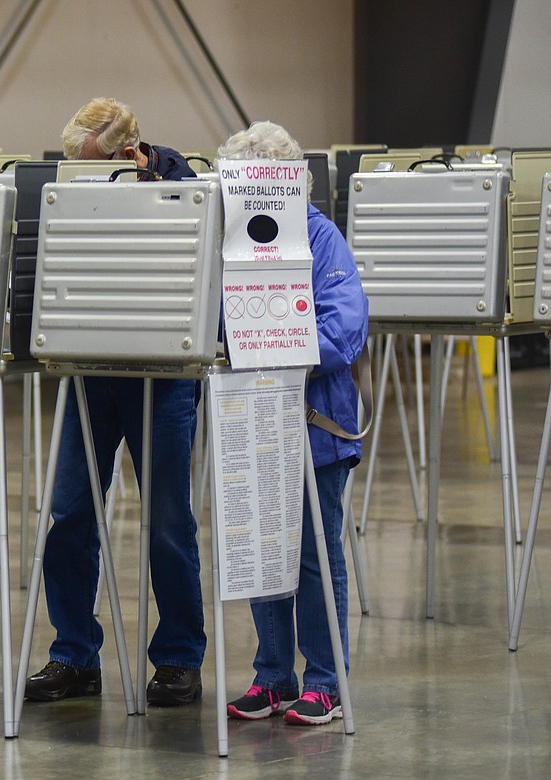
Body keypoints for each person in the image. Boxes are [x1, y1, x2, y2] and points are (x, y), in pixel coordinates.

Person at [25, 97, 206, 707]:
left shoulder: (183, 187)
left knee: (168, 522)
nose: (81, 180)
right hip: (90, 374)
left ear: (130, 155)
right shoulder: (72, 189)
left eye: (92, 167)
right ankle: (74, 655)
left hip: (163, 378)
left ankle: (179, 657)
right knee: (70, 513)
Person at [218, 121, 368, 726]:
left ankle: (326, 681)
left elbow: (347, 326)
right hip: (251, 419)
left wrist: (277, 349)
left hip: (314, 422)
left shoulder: (320, 236)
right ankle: (273, 676)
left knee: (312, 553)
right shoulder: (230, 243)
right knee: (259, 551)